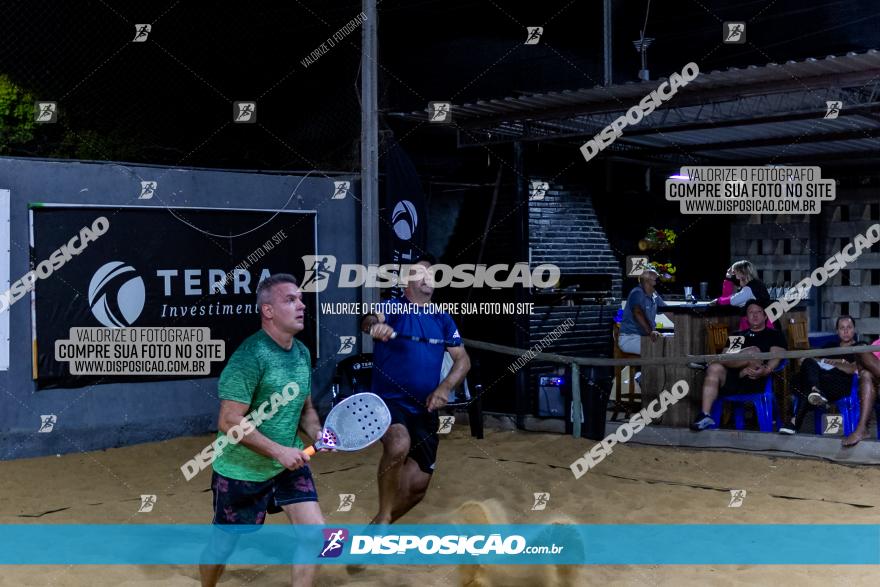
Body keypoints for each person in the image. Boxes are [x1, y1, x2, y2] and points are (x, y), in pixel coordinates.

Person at [200, 274, 327, 587]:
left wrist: (318, 432)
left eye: (300, 299)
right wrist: (279, 452)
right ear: (268, 311)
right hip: (241, 471)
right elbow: (229, 421)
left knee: (314, 536)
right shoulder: (249, 357)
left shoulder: (301, 353)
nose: (301, 305)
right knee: (222, 547)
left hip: (288, 466)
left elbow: (306, 409)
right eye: (290, 300)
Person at [360, 254, 470, 525]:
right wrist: (375, 326)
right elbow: (368, 319)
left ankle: (377, 527)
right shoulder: (394, 307)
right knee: (398, 445)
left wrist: (445, 387)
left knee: (416, 489)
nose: (429, 278)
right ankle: (385, 516)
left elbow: (462, 360)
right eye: (422, 273)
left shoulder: (442, 319)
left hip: (425, 408)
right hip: (388, 403)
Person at [691, 299, 787, 431]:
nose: (754, 315)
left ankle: (706, 362)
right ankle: (705, 415)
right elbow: (725, 356)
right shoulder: (739, 335)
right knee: (715, 368)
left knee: (754, 351)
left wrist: (766, 370)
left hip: (756, 379)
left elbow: (777, 354)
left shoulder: (774, 334)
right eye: (750, 312)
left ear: (765, 316)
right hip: (733, 379)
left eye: (758, 312)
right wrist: (743, 364)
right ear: (746, 317)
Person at [711, 260, 774, 330]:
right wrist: (728, 278)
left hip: (757, 327)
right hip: (760, 326)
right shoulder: (756, 284)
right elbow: (726, 297)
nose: (734, 276)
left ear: (741, 273)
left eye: (734, 273)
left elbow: (732, 300)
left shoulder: (749, 288)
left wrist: (717, 301)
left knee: (738, 340)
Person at [618, 268, 666, 355]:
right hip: (630, 338)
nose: (658, 283)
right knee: (659, 349)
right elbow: (638, 313)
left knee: (668, 346)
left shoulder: (654, 294)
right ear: (647, 281)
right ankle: (649, 369)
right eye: (656, 280)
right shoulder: (637, 293)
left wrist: (680, 325)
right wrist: (651, 332)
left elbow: (668, 311)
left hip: (645, 337)